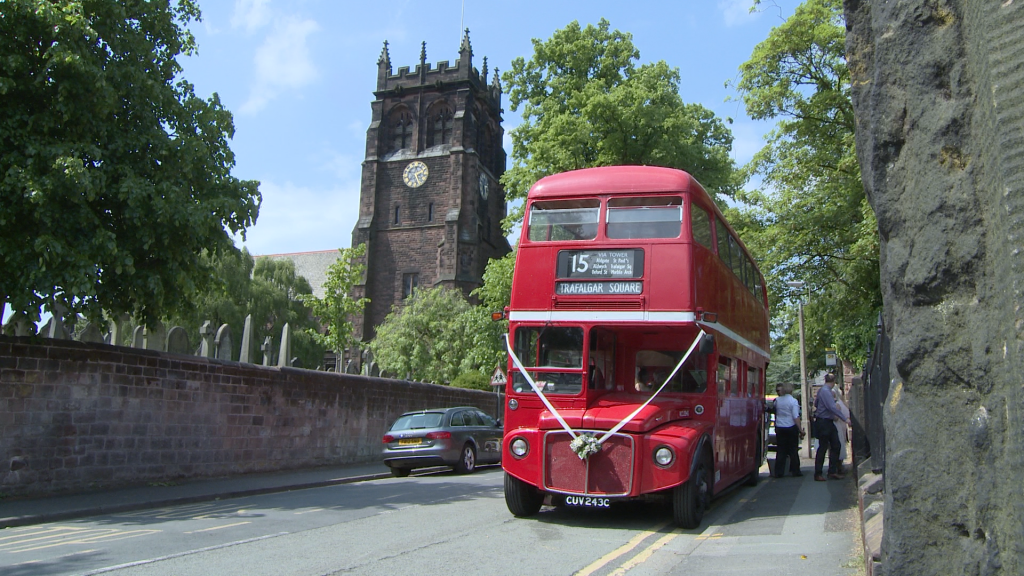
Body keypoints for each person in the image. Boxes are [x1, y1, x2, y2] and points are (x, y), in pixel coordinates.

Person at [813, 373, 845, 481]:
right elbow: (832, 407)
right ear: (834, 381)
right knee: (823, 447)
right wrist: (845, 419)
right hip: (824, 422)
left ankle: (831, 471)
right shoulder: (826, 391)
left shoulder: (821, 390)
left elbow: (816, 403)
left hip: (826, 421)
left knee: (835, 445)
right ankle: (818, 473)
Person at [772, 383, 804, 478]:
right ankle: (795, 470)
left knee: (781, 450)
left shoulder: (777, 401)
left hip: (780, 427)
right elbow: (795, 416)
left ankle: (779, 472)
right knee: (793, 450)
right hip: (791, 426)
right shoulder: (793, 401)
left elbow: (775, 412)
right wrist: (800, 429)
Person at [833, 388, 852, 472]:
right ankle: (836, 466)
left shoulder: (838, 404)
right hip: (836, 426)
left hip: (838, 426)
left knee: (838, 446)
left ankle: (838, 465)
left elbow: (843, 415)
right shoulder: (836, 403)